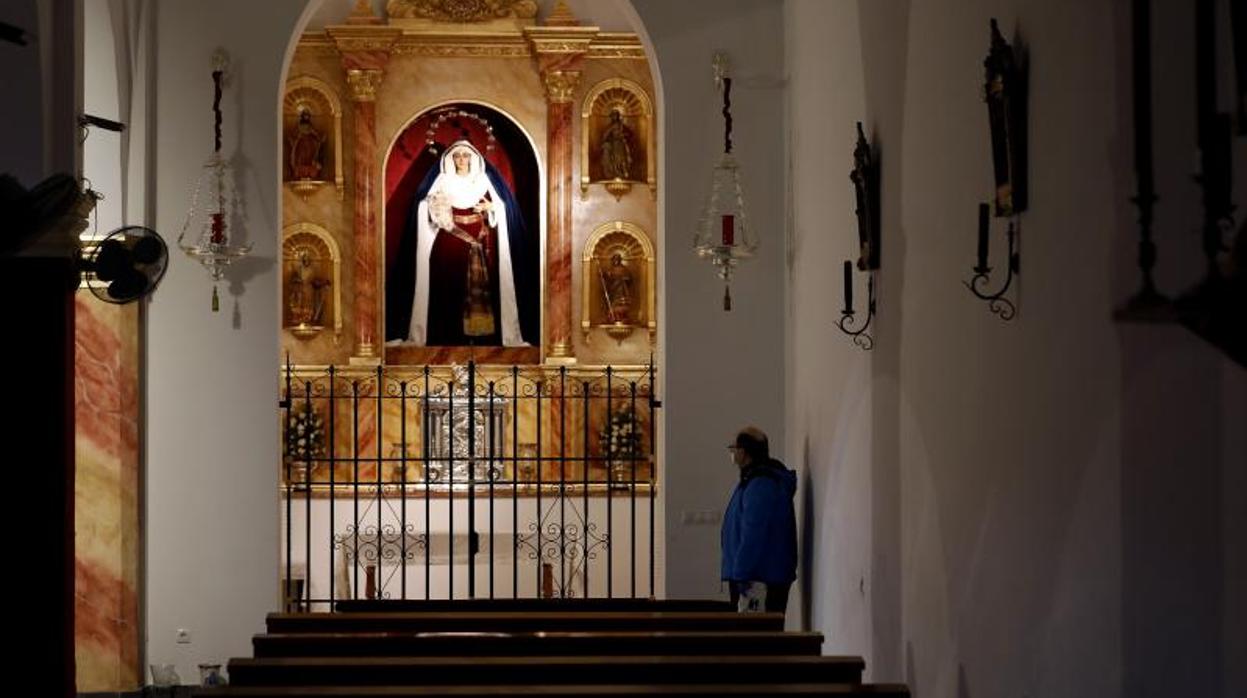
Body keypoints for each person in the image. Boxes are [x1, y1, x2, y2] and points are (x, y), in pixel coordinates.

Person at [403, 140, 525, 346]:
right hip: (450, 239)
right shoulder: (442, 180)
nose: (461, 159)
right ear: (451, 159)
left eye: (465, 155)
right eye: (457, 155)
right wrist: (434, 207)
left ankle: (480, 338)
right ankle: (449, 334)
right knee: (450, 283)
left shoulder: (484, 180)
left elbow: (504, 207)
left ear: (473, 158)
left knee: (480, 286)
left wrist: (492, 206)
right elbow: (424, 205)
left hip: (479, 240)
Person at [721, 426, 797, 615]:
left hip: (757, 578)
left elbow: (754, 532)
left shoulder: (761, 484)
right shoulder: (754, 480)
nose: (732, 453)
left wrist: (741, 574)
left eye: (734, 448)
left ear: (744, 452)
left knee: (755, 639)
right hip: (757, 575)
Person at [287, 109, 325, 181]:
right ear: (302, 116)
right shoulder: (299, 125)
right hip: (301, 143)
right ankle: (300, 168)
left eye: (307, 115)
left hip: (309, 143)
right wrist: (294, 138)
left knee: (309, 155)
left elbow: (314, 133)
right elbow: (294, 133)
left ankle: (309, 167)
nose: (306, 117)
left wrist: (320, 138)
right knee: (301, 156)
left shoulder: (310, 126)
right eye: (305, 115)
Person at [599, 109, 634, 180]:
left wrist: (623, 135)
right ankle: (615, 172)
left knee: (623, 158)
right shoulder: (610, 126)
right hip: (614, 145)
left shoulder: (622, 125)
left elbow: (630, 134)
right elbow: (605, 135)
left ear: (618, 116)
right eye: (613, 116)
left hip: (621, 144)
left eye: (616, 115)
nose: (614, 117)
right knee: (615, 158)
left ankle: (623, 172)